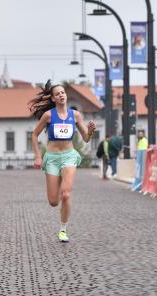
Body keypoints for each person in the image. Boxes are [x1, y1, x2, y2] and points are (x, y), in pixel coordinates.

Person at [29, 81, 96, 243]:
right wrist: (38, 156)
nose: (61, 95)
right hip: (52, 158)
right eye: (57, 93)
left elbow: (86, 139)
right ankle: (58, 192)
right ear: (53, 98)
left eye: (63, 93)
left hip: (69, 156)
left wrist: (91, 132)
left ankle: (63, 230)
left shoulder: (76, 115)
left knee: (66, 194)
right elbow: (34, 135)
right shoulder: (48, 116)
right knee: (53, 201)